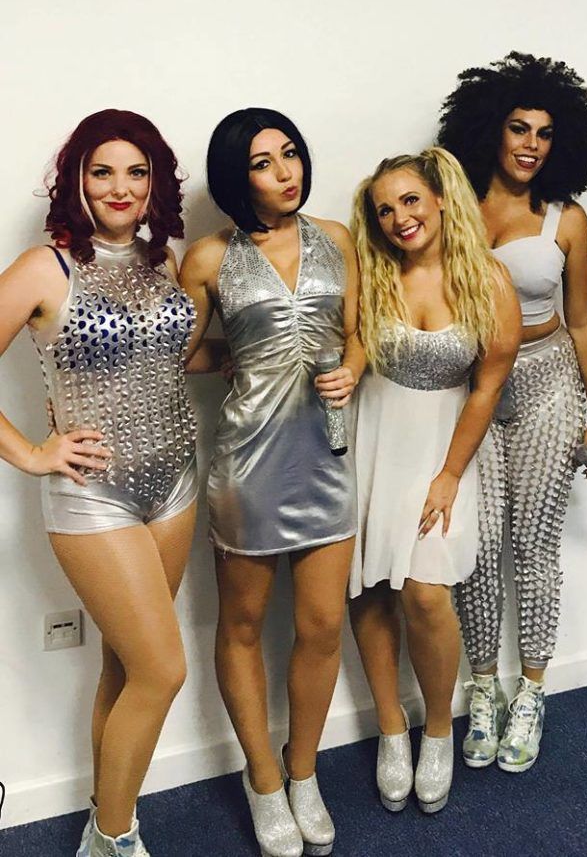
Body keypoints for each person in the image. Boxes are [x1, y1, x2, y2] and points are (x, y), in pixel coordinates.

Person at [0, 109, 198, 857]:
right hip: (93, 495)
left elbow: (167, 358)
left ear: (155, 184)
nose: (120, 187)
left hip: (175, 483)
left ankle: (103, 818)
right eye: (102, 171)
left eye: (136, 172)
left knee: (127, 664)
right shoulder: (44, 267)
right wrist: (31, 453)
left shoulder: (164, 260)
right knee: (163, 670)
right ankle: (115, 839)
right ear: (77, 180)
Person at [180, 108, 363, 857]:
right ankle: (262, 780)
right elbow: (177, 353)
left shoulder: (338, 239)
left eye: (291, 154)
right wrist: (234, 358)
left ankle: (303, 771)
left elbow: (357, 334)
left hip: (327, 456)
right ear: (237, 177)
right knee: (244, 626)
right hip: (249, 465)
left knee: (321, 627)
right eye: (263, 162)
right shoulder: (206, 258)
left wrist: (355, 368)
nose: (286, 172)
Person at [437, 51, 587, 772]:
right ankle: (484, 688)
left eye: (544, 133)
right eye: (518, 128)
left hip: (549, 383)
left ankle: (532, 692)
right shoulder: (450, 209)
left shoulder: (566, 220)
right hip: (471, 389)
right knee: (475, 547)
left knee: (533, 543)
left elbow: (582, 323)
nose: (531, 144)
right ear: (491, 129)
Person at [348, 147, 520, 813]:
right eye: (385, 210)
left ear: (441, 199)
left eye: (410, 201)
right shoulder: (373, 271)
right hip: (372, 437)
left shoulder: (488, 280)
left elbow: (487, 387)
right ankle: (392, 728)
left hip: (444, 447)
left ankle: (439, 730)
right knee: (368, 588)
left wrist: (449, 474)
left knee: (424, 594)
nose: (400, 218)